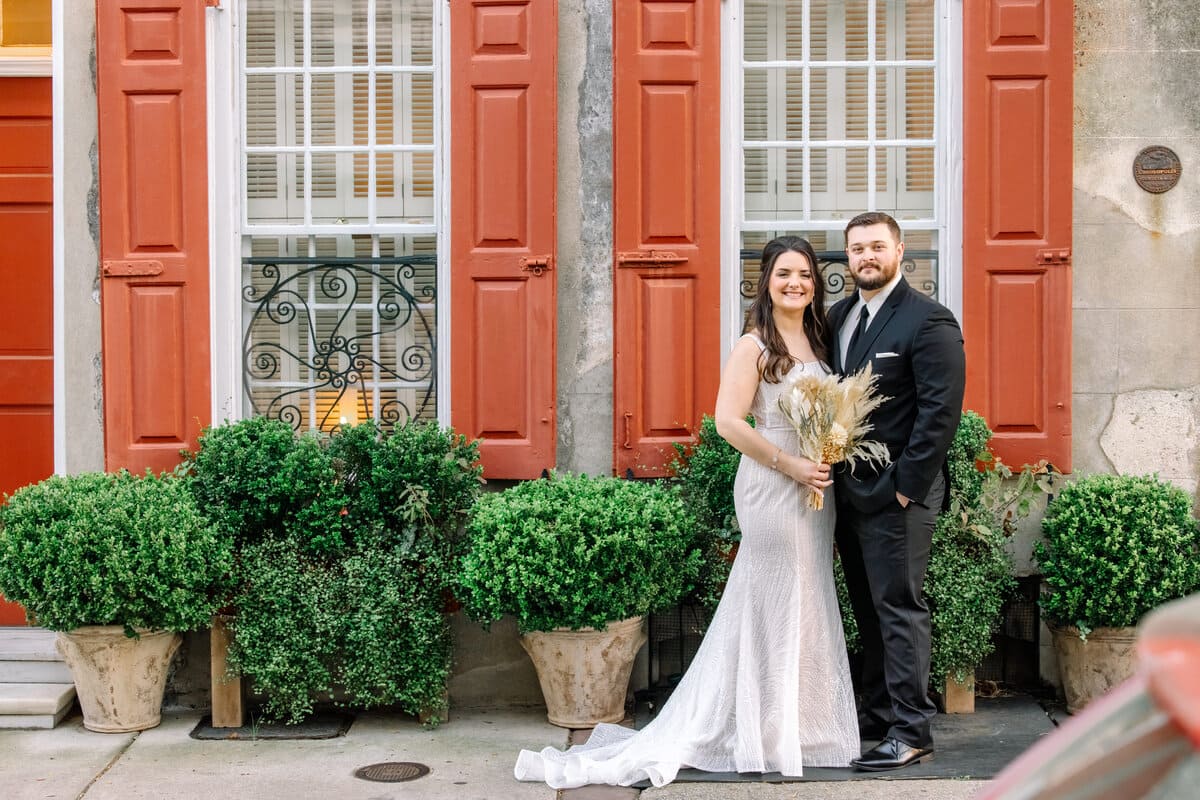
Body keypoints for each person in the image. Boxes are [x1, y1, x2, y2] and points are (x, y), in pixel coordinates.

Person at [513, 236, 859, 788]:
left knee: (807, 595)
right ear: (765, 281)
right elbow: (728, 423)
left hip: (815, 493)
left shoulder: (820, 338)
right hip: (772, 489)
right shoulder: (754, 345)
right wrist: (792, 466)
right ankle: (754, 728)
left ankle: (794, 726)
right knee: (772, 598)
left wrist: (823, 456)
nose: (796, 283)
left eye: (806, 275)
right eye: (784, 274)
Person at [827, 212, 966, 771]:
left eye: (876, 246)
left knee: (900, 609)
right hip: (848, 495)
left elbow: (940, 414)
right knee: (868, 608)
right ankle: (881, 712)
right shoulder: (838, 316)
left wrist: (907, 489)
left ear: (900, 251)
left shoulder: (929, 320)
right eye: (857, 249)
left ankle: (912, 730)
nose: (866, 257)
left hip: (900, 499)